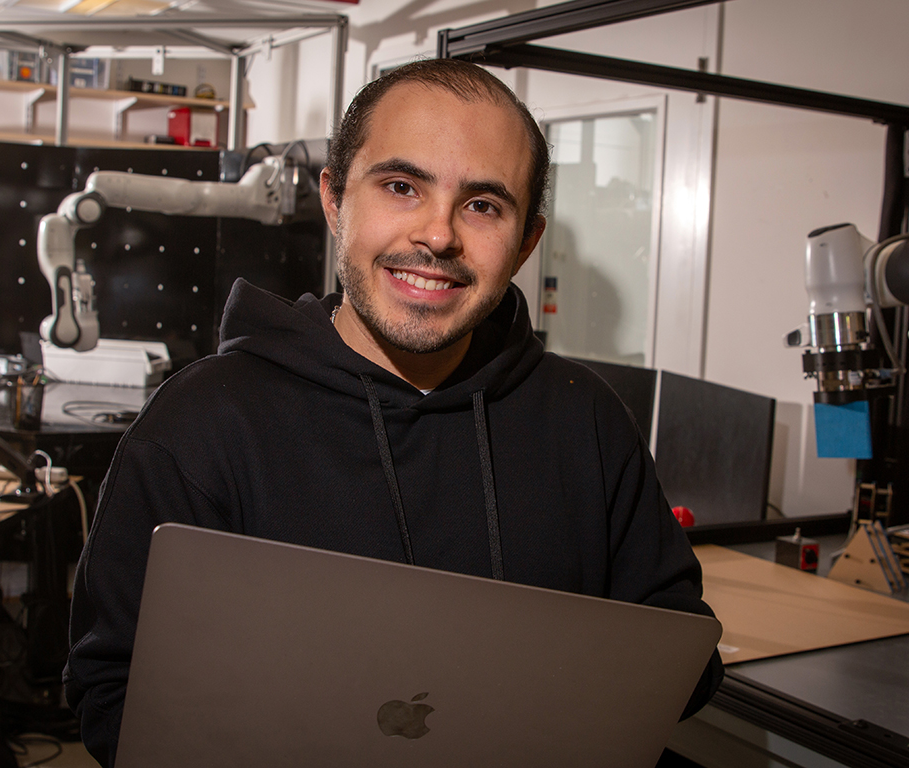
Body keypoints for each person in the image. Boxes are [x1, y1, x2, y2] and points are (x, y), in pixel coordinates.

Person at [64, 57, 723, 767]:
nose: (438, 236)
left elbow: (677, 651)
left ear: (527, 242)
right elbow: (116, 698)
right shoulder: (200, 426)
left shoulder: (585, 419)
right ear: (335, 200)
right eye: (403, 187)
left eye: (482, 205)